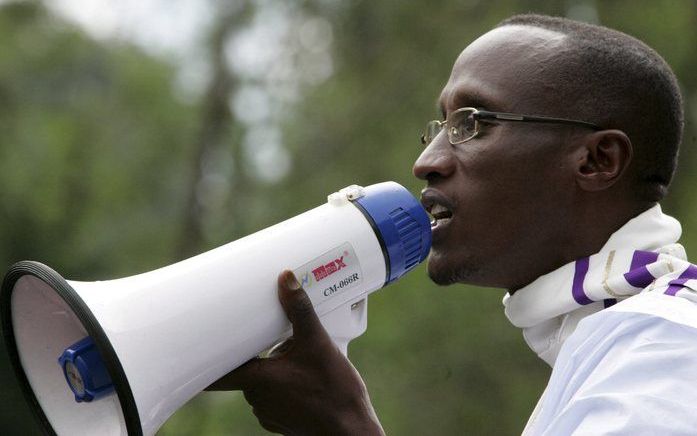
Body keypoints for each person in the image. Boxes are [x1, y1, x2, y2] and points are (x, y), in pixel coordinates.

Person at [208, 14, 697, 435]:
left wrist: (345, 425)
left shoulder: (662, 350)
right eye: (440, 125)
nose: (426, 161)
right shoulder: (622, 341)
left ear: (596, 161)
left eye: (473, 124)